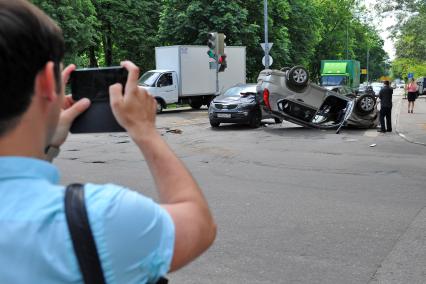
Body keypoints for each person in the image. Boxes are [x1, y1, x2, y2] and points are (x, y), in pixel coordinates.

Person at [0, 1, 216, 283]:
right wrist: (144, 130)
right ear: (45, 85)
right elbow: (199, 225)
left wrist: (46, 147)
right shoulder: (101, 219)